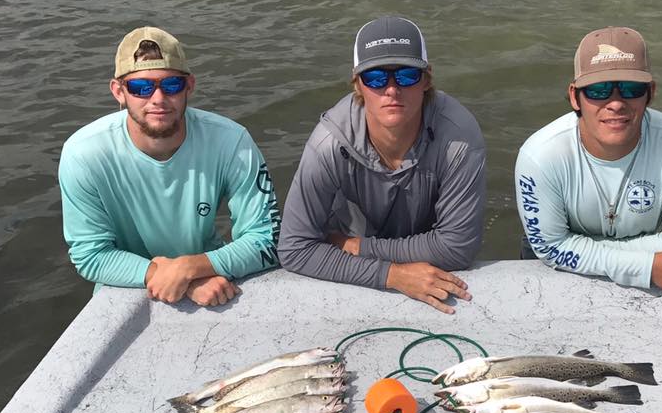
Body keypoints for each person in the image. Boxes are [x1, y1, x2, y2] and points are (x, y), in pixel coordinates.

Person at [59, 26, 280, 307]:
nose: (158, 98)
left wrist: (192, 268)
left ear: (189, 85)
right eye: (141, 87)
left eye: (171, 85)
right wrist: (176, 278)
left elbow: (266, 239)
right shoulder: (83, 153)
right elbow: (91, 255)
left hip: (215, 283)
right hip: (127, 286)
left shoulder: (232, 140)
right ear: (118, 91)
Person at [278, 16, 486, 314]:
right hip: (364, 253)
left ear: (427, 80)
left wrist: (358, 248)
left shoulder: (460, 137)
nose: (391, 89)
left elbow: (457, 247)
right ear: (358, 84)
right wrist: (391, 276)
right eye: (375, 77)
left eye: (406, 76)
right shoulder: (328, 144)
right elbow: (294, 248)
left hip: (353, 247)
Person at [514, 26, 662, 294]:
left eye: (631, 89)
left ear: (650, 93)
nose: (616, 103)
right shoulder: (538, 156)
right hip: (560, 273)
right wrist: (647, 266)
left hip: (591, 263)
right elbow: (549, 248)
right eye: (599, 89)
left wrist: (580, 247)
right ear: (575, 96)